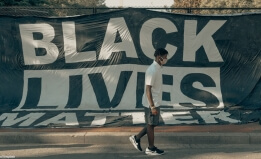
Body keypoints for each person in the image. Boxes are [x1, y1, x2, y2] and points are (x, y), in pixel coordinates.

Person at [129, 48, 168, 155]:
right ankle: (150, 148)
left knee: (152, 124)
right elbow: (148, 89)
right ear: (159, 56)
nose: (166, 59)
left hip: (155, 101)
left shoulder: (158, 68)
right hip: (151, 103)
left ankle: (136, 138)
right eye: (165, 57)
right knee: (151, 125)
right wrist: (152, 106)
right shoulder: (152, 70)